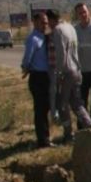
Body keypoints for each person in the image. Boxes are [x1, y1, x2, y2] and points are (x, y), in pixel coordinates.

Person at [50, 9, 91, 141]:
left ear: (52, 19)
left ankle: (68, 133)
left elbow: (61, 54)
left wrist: (59, 73)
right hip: (77, 70)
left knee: (62, 104)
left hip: (67, 71)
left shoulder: (58, 30)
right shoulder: (70, 27)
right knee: (77, 103)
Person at [21, 12, 52, 148]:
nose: (45, 24)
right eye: (42, 22)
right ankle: (43, 140)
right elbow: (27, 59)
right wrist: (26, 69)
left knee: (46, 108)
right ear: (35, 22)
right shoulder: (33, 39)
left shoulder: (44, 37)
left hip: (46, 77)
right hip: (37, 78)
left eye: (46, 22)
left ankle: (46, 136)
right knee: (40, 110)